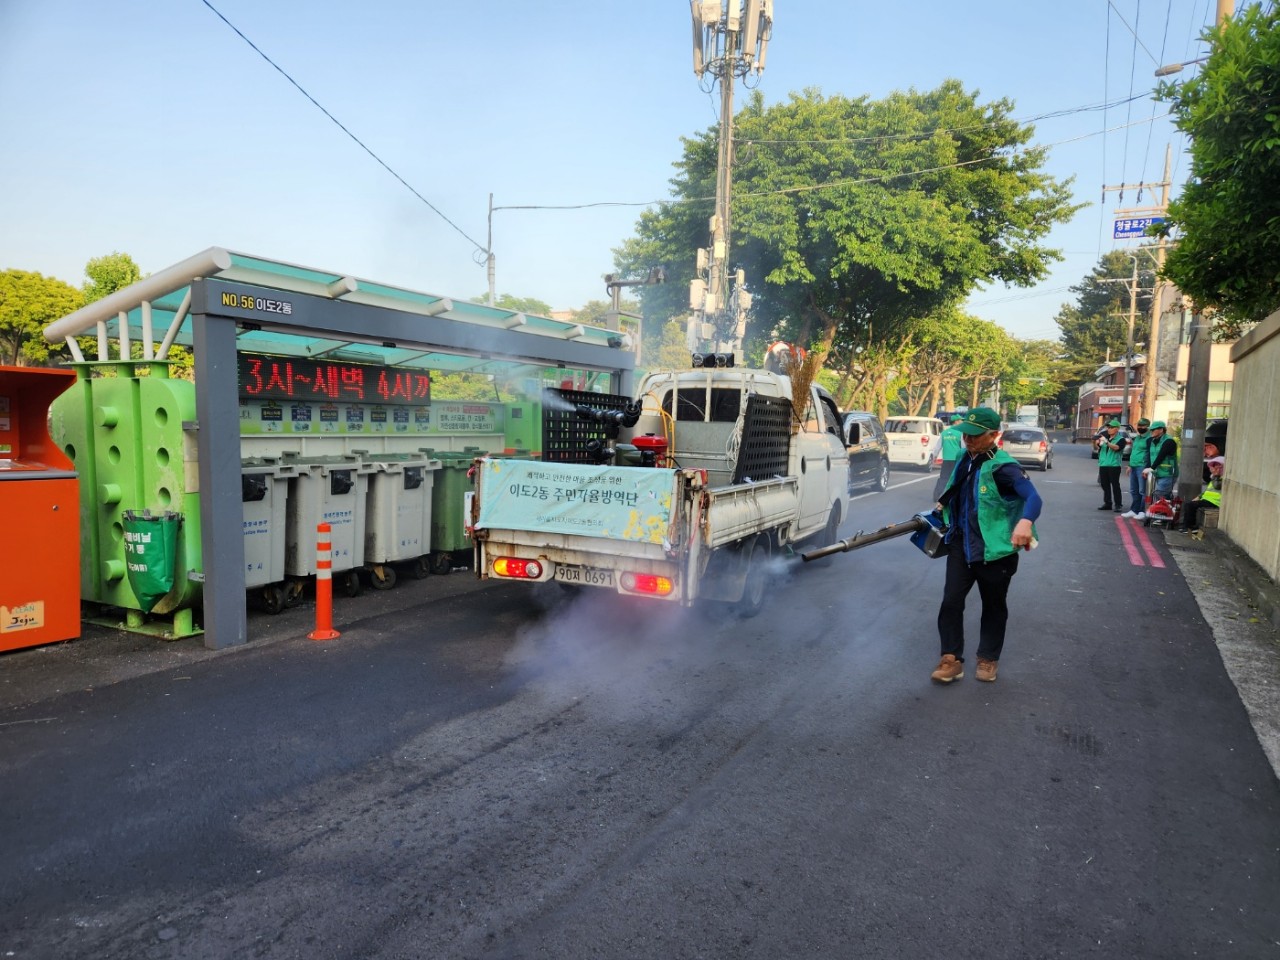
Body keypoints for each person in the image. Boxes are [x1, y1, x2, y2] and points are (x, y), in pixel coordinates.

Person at [930, 407, 1042, 685]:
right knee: (950, 602)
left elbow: (1034, 498)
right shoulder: (965, 459)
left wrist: (1025, 523)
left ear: (994, 435)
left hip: (995, 552)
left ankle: (988, 658)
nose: (968, 440)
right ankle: (951, 658)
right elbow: (958, 491)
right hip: (960, 546)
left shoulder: (1005, 468)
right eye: (965, 434)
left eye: (975, 436)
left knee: (993, 605)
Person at [1180, 456, 1224, 532]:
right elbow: (1207, 491)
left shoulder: (1221, 478)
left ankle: (1190, 527)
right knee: (1188, 503)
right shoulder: (1214, 478)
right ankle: (1186, 526)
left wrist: (1216, 476)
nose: (1213, 469)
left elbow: (1217, 486)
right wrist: (1199, 497)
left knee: (1190, 505)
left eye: (1216, 467)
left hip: (1215, 502)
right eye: (1213, 467)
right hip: (1207, 500)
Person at [1121, 417, 1152, 519]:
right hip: (1134, 465)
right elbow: (1134, 452)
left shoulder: (1149, 439)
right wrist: (1130, 465)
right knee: (1134, 490)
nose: (1140, 427)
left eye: (1143, 426)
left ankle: (1142, 511)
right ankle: (1134, 510)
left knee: (1142, 491)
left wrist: (1147, 467)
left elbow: (1149, 454)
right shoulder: (1137, 438)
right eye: (1139, 425)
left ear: (1148, 427)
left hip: (1142, 466)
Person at [932, 413, 965, 499]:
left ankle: (936, 495)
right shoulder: (960, 433)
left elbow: (937, 447)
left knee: (943, 478)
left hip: (946, 460)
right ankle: (955, 496)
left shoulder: (944, 433)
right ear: (956, 422)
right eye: (961, 420)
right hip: (957, 460)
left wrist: (934, 456)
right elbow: (964, 447)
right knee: (957, 478)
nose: (962, 422)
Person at [1096, 419, 1127, 512]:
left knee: (1115, 485)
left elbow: (1116, 448)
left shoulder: (1121, 440)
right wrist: (1098, 443)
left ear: (1117, 429)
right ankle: (1108, 503)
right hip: (1103, 464)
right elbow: (1100, 449)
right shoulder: (1106, 438)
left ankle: (1118, 504)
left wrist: (1106, 442)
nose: (1109, 429)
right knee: (1104, 484)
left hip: (1114, 465)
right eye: (1108, 427)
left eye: (1111, 427)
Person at [1144, 420, 1178, 502]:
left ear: (1161, 430)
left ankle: (1165, 512)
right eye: (1151, 430)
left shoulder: (1169, 441)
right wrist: (1147, 468)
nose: (1151, 431)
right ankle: (1165, 512)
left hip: (1168, 473)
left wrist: (1152, 468)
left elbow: (1161, 455)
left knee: (1161, 495)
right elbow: (1149, 456)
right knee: (1161, 496)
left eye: (1153, 430)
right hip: (1157, 473)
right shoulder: (1151, 441)